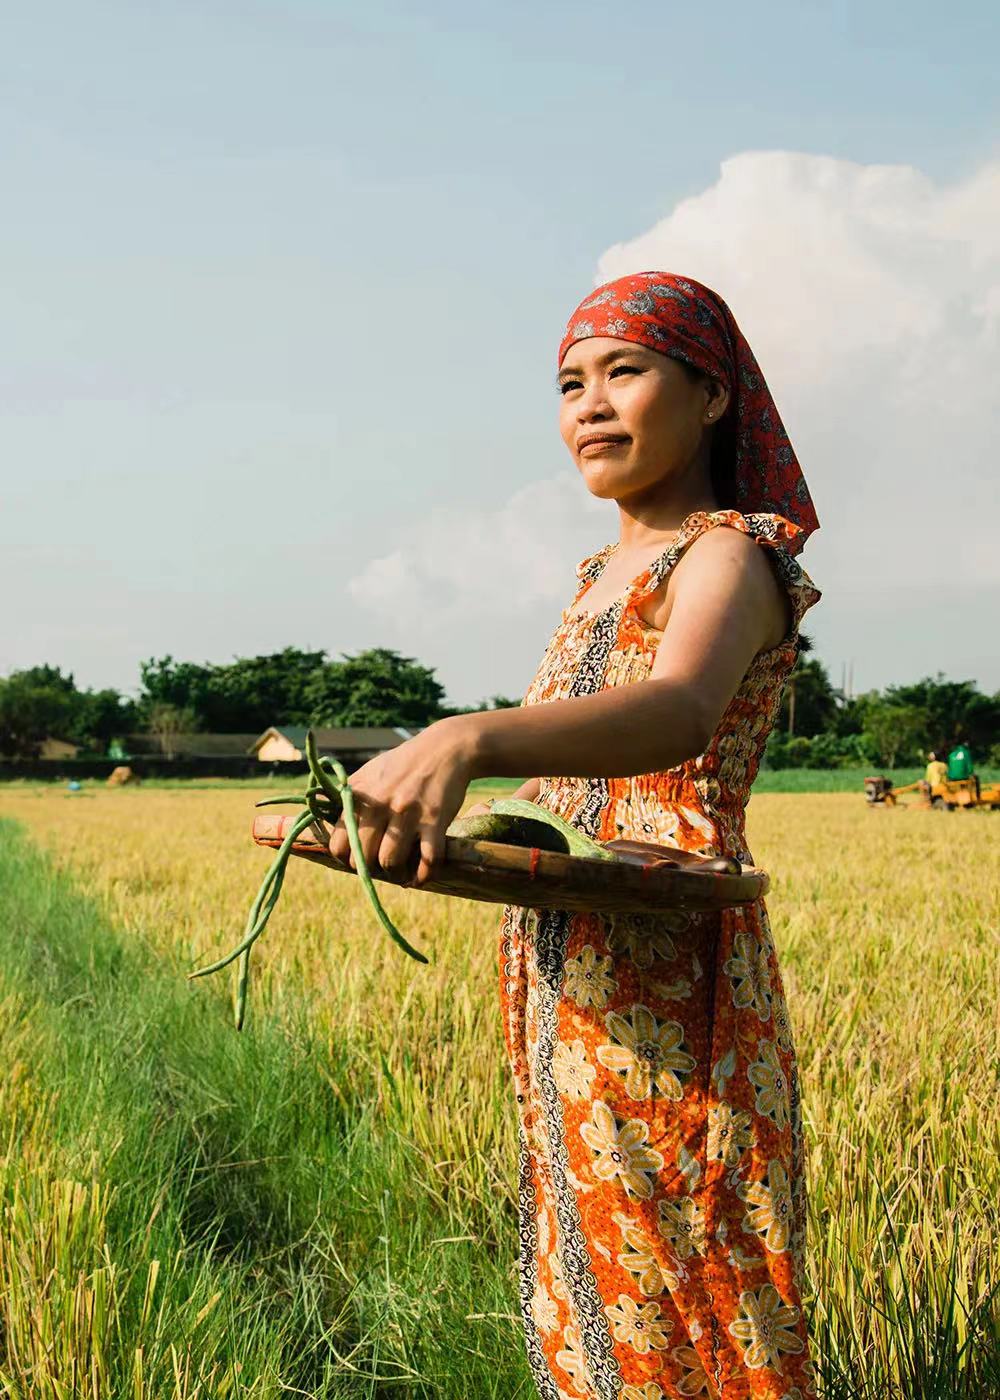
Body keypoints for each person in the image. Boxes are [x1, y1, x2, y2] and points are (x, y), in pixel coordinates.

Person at [326, 271, 821, 1397]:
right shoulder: (600, 577)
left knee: (687, 1267)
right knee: (595, 1269)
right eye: (568, 384)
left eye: (624, 371)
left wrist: (466, 736)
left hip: (667, 977)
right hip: (568, 971)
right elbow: (566, 791)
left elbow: (680, 708)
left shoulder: (725, 554)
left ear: (711, 396)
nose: (590, 404)